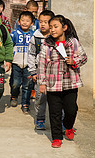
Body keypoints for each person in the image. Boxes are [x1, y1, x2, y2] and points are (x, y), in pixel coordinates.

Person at [37, 15, 87, 148]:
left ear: (64, 28)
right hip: (53, 84)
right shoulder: (47, 44)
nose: (52, 30)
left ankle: (69, 126)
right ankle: (57, 137)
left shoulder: (73, 42)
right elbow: (41, 64)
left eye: (55, 26)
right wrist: (42, 82)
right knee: (55, 112)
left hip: (70, 83)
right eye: (51, 27)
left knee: (71, 109)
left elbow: (84, 57)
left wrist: (74, 61)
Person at [27, 10, 55, 130]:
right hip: (40, 72)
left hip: (54, 74)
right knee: (40, 98)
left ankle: (60, 121)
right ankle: (40, 119)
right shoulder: (35, 38)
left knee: (56, 99)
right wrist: (33, 71)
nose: (43, 24)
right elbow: (31, 54)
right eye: (41, 22)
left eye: (46, 22)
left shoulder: (56, 37)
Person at [9, 11, 36, 114]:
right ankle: (14, 95)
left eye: (27, 21)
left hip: (29, 65)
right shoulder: (14, 34)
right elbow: (9, 47)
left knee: (27, 85)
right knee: (15, 83)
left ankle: (25, 103)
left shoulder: (33, 35)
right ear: (19, 22)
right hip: (16, 63)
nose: (25, 23)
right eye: (22, 20)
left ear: (32, 23)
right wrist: (8, 60)